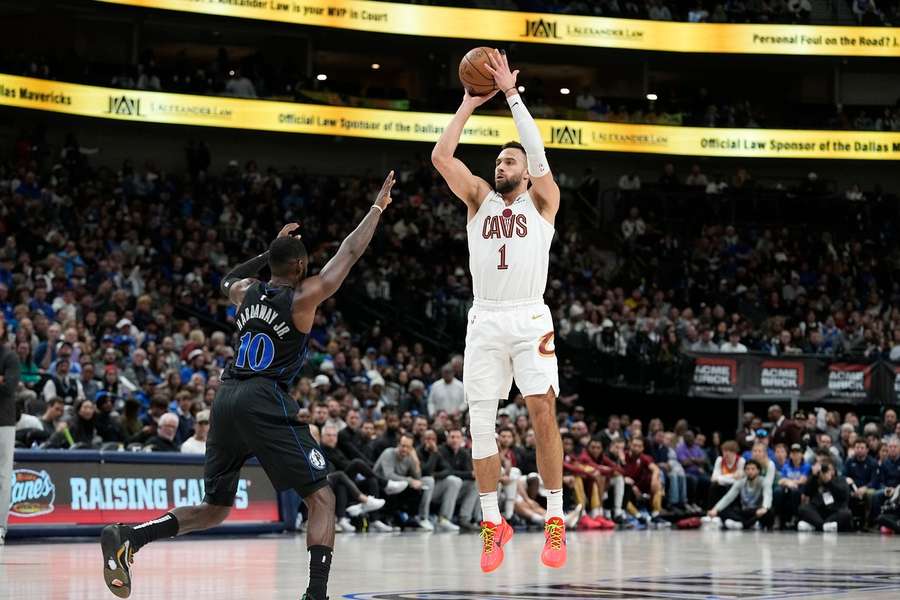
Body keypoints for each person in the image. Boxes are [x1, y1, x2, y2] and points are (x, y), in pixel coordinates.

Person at [100, 171, 395, 600]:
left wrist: (267, 251)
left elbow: (224, 281)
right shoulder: (302, 298)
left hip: (226, 399)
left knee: (215, 508)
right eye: (303, 261)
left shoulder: (246, 292)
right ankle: (316, 595)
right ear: (298, 266)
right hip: (263, 396)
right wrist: (377, 208)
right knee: (322, 499)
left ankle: (130, 537)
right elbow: (348, 253)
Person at [432, 48, 565, 572]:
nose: (500, 164)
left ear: (527, 173)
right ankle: (493, 524)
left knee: (541, 412)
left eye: (509, 161)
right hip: (484, 318)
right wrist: (468, 103)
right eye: (499, 161)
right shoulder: (479, 199)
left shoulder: (542, 201)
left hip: (530, 316)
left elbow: (537, 153)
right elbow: (442, 158)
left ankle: (555, 517)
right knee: (480, 423)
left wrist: (511, 95)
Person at [706, 459, 774, 530]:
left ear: (758, 470)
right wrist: (715, 509)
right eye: (748, 469)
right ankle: (749, 524)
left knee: (769, 512)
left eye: (753, 469)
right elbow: (728, 497)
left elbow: (767, 495)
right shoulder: (740, 482)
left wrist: (764, 508)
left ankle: (743, 524)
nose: (750, 471)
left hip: (758, 511)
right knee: (723, 511)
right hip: (745, 511)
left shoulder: (764, 482)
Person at [0, 339, 20, 545]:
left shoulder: (9, 356)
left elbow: (8, 387)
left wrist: (3, 381)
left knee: (3, 476)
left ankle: (0, 527)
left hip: (3, 422)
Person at [440, 428, 480, 531]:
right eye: (452, 437)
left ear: (462, 440)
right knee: (454, 480)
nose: (455, 440)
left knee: (476, 483)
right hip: (441, 487)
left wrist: (473, 474)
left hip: (456, 490)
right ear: (447, 439)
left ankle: (465, 519)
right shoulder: (441, 451)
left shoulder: (463, 453)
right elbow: (447, 472)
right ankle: (444, 519)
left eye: (458, 437)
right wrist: (469, 474)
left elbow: (471, 474)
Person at [798, 457, 852, 532]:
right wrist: (814, 476)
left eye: (827, 470)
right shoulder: (815, 480)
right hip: (817, 512)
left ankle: (816, 526)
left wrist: (829, 482)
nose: (824, 472)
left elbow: (844, 496)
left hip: (834, 512)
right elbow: (806, 492)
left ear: (833, 470)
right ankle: (824, 526)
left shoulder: (841, 480)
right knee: (802, 508)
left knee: (847, 513)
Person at [775, 443, 810, 528]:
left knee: (795, 491)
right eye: (793, 453)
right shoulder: (786, 466)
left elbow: (803, 480)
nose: (795, 455)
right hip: (787, 488)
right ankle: (778, 517)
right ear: (790, 455)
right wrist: (789, 483)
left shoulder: (806, 466)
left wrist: (790, 482)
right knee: (777, 491)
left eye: (798, 453)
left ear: (801, 454)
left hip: (800, 489)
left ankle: (794, 517)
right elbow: (780, 481)